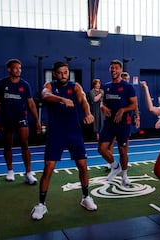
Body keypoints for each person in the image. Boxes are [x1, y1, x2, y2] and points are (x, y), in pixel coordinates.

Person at [31, 61, 97, 220]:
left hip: (74, 132)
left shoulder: (75, 86)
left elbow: (83, 101)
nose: (63, 75)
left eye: (65, 72)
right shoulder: (50, 85)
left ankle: (86, 197)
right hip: (56, 133)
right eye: (60, 72)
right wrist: (62, 99)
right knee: (48, 168)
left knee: (83, 166)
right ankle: (41, 205)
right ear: (55, 73)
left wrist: (88, 113)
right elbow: (45, 95)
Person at [0, 58, 41, 184]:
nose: (18, 70)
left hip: (21, 119)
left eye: (20, 68)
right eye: (15, 68)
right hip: (6, 119)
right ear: (9, 69)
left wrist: (37, 121)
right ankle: (10, 171)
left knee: (25, 144)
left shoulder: (25, 85)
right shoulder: (1, 84)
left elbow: (31, 104)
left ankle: (28, 173)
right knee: (8, 145)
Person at [98, 60, 137, 187]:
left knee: (122, 151)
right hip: (109, 123)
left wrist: (123, 110)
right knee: (101, 148)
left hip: (123, 124)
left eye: (116, 68)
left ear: (120, 70)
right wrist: (102, 107)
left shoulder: (128, 87)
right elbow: (102, 102)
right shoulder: (107, 86)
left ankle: (125, 176)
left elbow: (134, 105)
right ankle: (115, 166)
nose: (114, 70)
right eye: (112, 68)